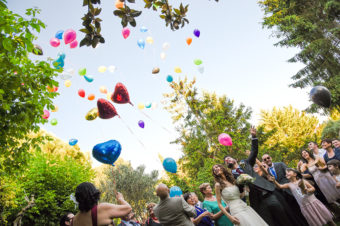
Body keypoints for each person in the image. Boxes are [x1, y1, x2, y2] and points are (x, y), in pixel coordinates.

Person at [225, 127, 307, 226]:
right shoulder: (231, 176)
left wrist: (254, 137)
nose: (227, 160)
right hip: (255, 200)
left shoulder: (244, 163)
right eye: (225, 161)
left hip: (267, 192)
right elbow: (237, 189)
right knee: (269, 222)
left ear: (234, 159)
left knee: (283, 215)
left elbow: (254, 152)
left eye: (229, 158)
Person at [270, 168, 335, 226]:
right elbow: (280, 187)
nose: (286, 173)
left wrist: (307, 190)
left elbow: (313, 188)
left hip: (313, 203)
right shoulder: (289, 185)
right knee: (316, 222)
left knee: (328, 219)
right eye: (286, 173)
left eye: (288, 171)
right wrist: (274, 181)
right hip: (305, 206)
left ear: (295, 174)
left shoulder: (302, 181)